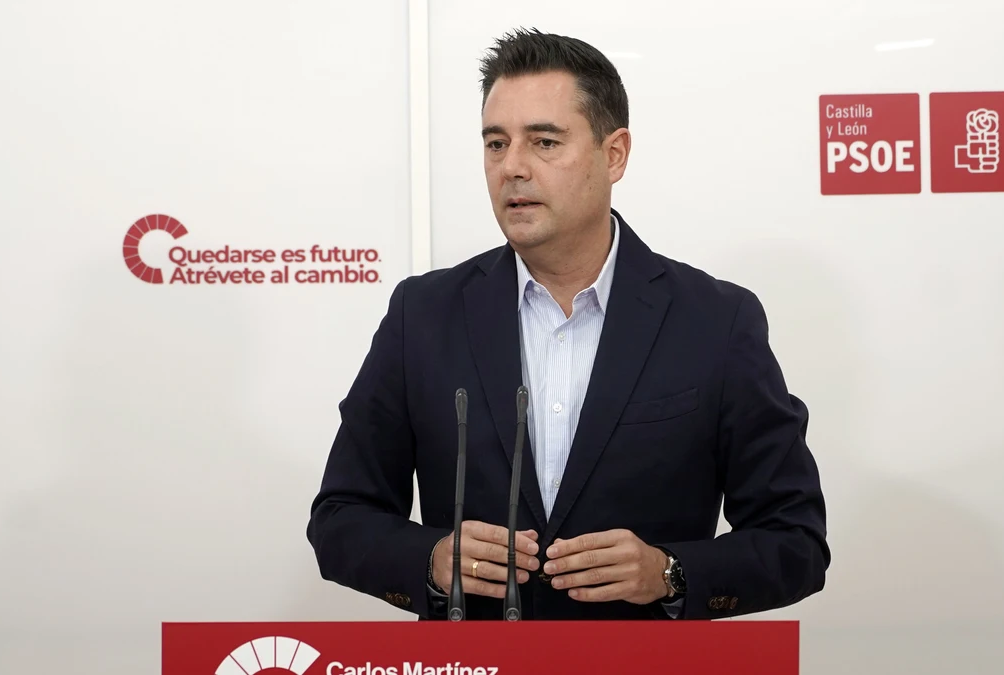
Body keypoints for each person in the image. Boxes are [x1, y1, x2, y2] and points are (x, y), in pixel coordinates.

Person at [306, 27, 829, 621]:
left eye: (545, 142)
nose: (512, 167)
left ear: (615, 154)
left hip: (641, 661)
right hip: (476, 660)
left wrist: (669, 572)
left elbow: (796, 540)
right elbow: (341, 518)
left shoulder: (715, 320)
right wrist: (432, 560)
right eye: (496, 143)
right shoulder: (422, 315)